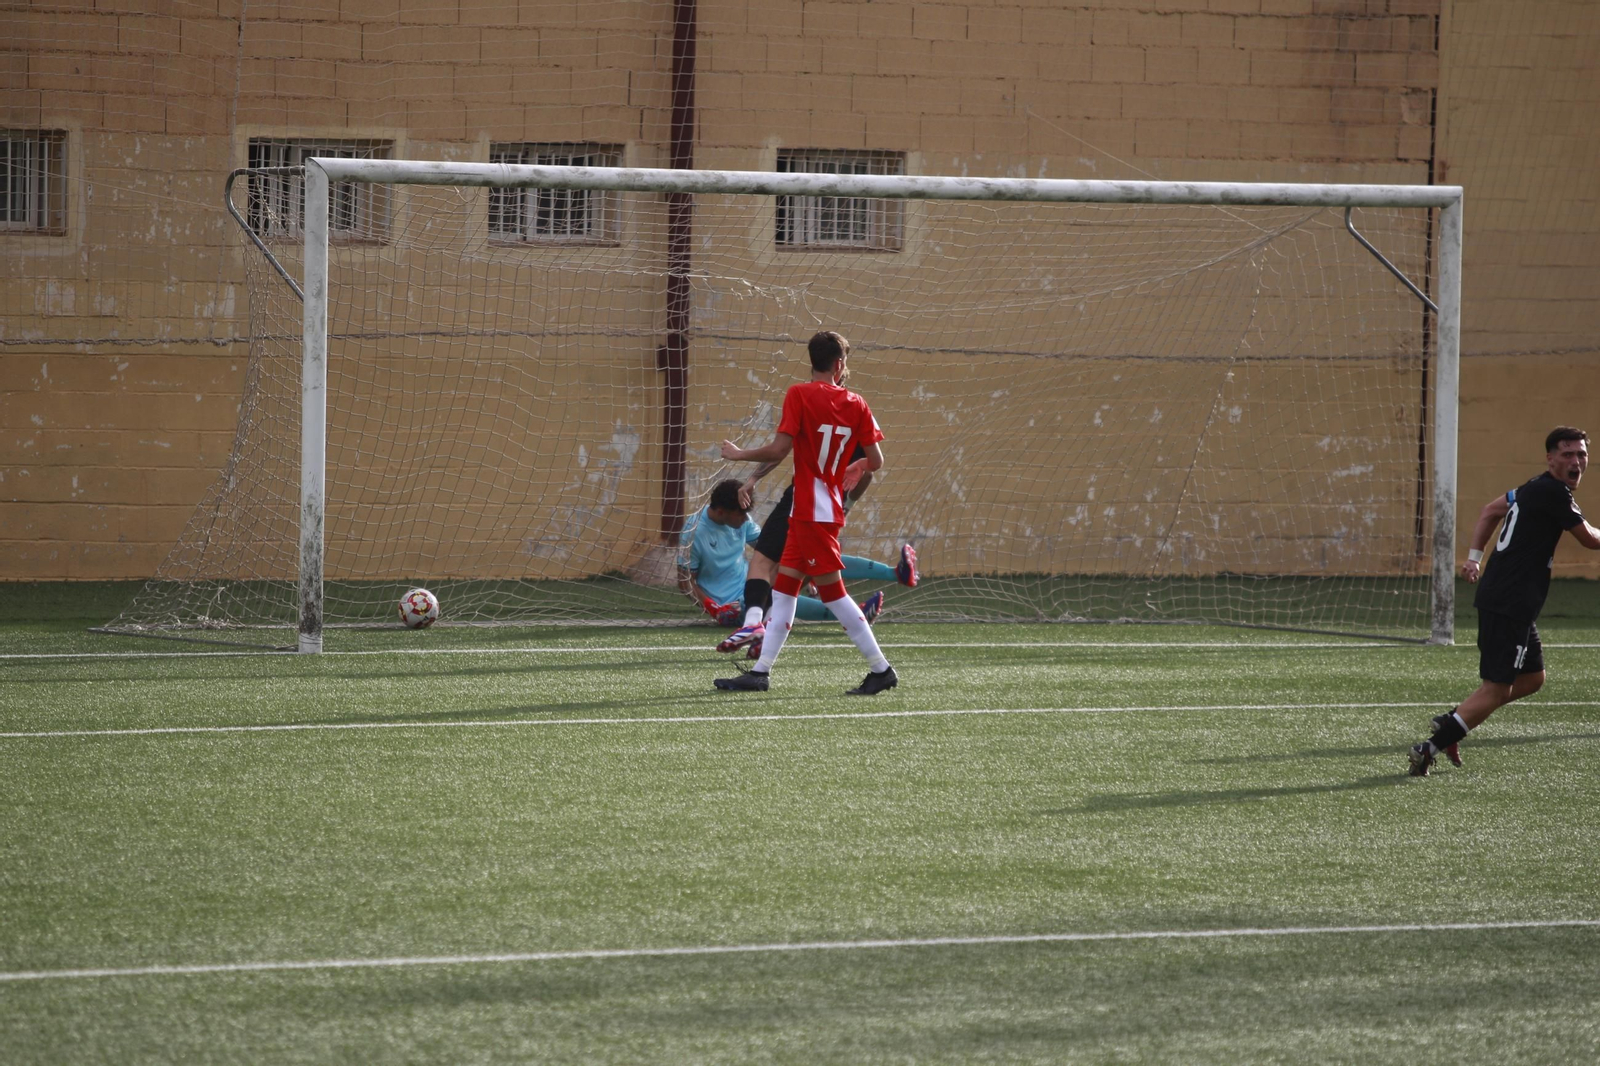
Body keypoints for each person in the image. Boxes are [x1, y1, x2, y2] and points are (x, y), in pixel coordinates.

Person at [713, 330, 899, 695]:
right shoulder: (857, 403)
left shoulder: (799, 394)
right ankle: (760, 672)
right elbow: (875, 461)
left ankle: (881, 669)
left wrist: (739, 455)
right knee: (784, 592)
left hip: (812, 510)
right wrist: (858, 464)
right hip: (815, 508)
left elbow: (779, 450)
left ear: (812, 360)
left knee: (833, 594)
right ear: (839, 364)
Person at [1408, 426, 1599, 776]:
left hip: (1513, 601)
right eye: (1568, 454)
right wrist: (1474, 557)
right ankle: (1430, 747)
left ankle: (1455, 720)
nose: (1576, 461)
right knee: (1497, 688)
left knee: (1533, 678)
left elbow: (1490, 509)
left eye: (1582, 454)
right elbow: (1589, 539)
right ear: (1551, 458)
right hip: (1510, 601)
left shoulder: (1532, 487)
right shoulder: (1553, 492)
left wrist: (1474, 558)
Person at [715, 457, 918, 659]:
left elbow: (779, 449)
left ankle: (755, 628)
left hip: (802, 506)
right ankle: (878, 656)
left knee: (772, 570)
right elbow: (871, 468)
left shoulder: (813, 439)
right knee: (816, 583)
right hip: (826, 510)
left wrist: (744, 461)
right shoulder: (701, 530)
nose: (744, 518)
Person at [678, 478, 893, 642]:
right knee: (783, 598)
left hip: (754, 589)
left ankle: (892, 574)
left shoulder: (742, 520)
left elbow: (770, 550)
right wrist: (713, 608)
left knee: (812, 557)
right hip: (731, 606)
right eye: (740, 515)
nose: (745, 519)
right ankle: (857, 615)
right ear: (721, 512)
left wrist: (808, 570)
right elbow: (685, 581)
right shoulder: (694, 532)